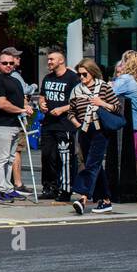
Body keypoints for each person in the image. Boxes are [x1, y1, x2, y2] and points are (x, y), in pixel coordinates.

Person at [68, 59, 122, 215]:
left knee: (92, 164)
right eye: (79, 74)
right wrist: (77, 124)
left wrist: (102, 103)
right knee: (95, 165)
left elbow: (117, 108)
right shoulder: (76, 90)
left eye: (84, 74)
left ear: (92, 72)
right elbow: (71, 112)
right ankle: (105, 200)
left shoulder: (103, 87)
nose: (81, 77)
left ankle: (83, 198)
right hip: (83, 130)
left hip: (100, 131)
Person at [0, 47, 31, 202]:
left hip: (14, 124)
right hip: (2, 125)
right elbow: (2, 104)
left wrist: (26, 106)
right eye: (4, 63)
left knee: (10, 158)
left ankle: (7, 187)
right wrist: (21, 110)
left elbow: (20, 99)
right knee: (1, 158)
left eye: (11, 63)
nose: (8, 65)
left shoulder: (14, 79)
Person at [37, 47, 80, 201]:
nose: (49, 62)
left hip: (65, 124)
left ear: (61, 60)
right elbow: (42, 96)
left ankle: (66, 189)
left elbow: (78, 101)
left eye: (51, 59)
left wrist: (62, 109)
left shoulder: (73, 78)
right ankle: (49, 187)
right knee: (47, 156)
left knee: (65, 158)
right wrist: (41, 103)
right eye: (48, 59)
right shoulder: (48, 78)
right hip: (48, 124)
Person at [112, 51, 137, 201]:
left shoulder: (126, 79)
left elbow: (110, 93)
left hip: (129, 126)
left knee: (127, 158)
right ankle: (136, 187)